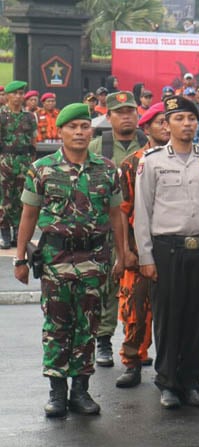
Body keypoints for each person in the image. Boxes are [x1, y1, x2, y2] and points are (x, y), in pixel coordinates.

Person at [14, 103, 125, 417]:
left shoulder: (105, 168)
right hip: (56, 258)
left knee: (87, 324)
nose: (79, 132)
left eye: (84, 126)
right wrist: (20, 259)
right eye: (73, 127)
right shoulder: (43, 168)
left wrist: (123, 254)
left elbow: (117, 216)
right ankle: (57, 392)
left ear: (91, 131)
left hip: (94, 257)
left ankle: (81, 391)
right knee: (57, 325)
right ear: (60, 131)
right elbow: (28, 214)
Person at [133, 95, 199, 409]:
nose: (186, 124)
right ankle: (168, 384)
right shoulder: (152, 161)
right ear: (167, 124)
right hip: (167, 250)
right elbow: (142, 212)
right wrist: (146, 257)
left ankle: (191, 382)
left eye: (191, 118)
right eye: (179, 119)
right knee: (168, 318)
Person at [88, 91, 147, 368]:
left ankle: (135, 343)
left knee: (139, 290)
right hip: (105, 228)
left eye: (130, 111)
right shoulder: (98, 148)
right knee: (107, 285)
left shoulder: (149, 145)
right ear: (108, 116)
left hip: (140, 231)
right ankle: (103, 340)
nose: (126, 116)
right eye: (119, 112)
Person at [114, 102, 170, 388]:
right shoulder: (133, 163)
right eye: (160, 121)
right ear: (146, 128)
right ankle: (133, 361)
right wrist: (125, 250)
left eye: (169, 121)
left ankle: (170, 370)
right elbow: (122, 210)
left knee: (173, 313)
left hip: (174, 248)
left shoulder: (188, 159)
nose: (167, 126)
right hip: (139, 247)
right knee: (135, 308)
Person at [0, 81, 38, 250]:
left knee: (23, 198)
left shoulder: (29, 117)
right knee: (4, 198)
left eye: (21, 93)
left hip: (24, 162)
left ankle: (18, 232)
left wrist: (31, 162)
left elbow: (33, 141)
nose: (18, 96)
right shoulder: (1, 115)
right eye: (14, 93)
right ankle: (5, 232)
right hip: (5, 161)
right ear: (7, 96)